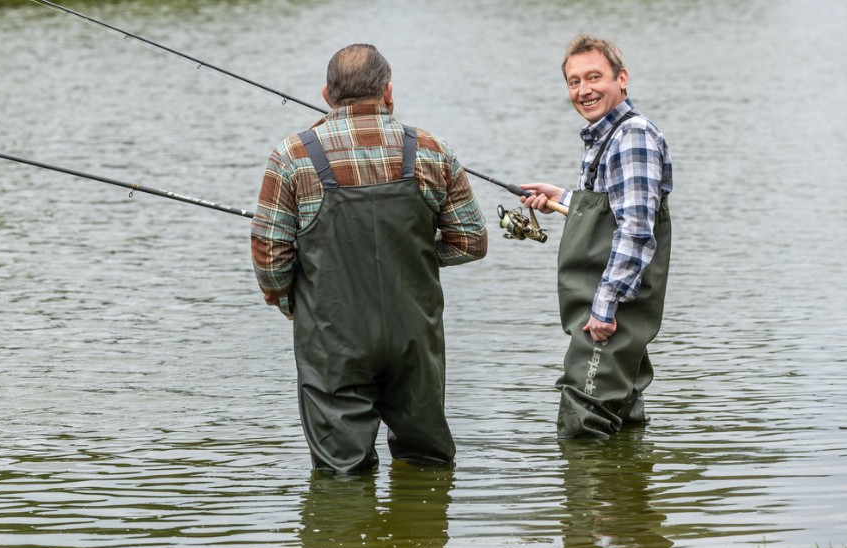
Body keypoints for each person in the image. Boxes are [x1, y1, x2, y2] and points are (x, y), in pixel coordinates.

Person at [250, 44, 488, 474]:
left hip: (332, 337)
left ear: (326, 94)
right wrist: (414, 257)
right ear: (389, 92)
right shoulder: (432, 150)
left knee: (342, 474)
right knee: (427, 461)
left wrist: (291, 301)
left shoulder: (293, 155)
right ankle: (422, 527)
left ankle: (348, 534)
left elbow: (270, 254)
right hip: (414, 334)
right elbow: (471, 240)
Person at [521, 34, 672, 439]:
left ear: (622, 79)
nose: (584, 90)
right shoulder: (608, 135)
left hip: (610, 310)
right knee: (621, 411)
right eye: (574, 81)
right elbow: (614, 207)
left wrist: (604, 307)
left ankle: (592, 500)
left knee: (582, 419)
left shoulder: (631, 136)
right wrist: (563, 197)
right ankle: (627, 498)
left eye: (594, 77)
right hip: (610, 306)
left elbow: (637, 229)